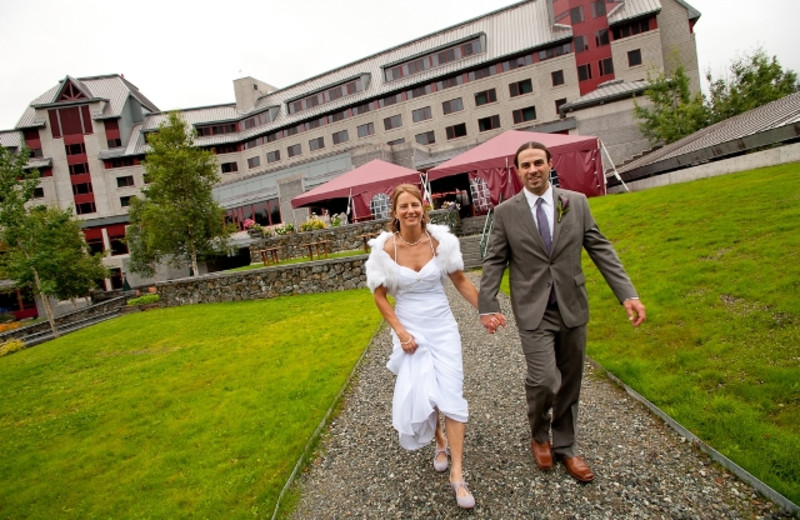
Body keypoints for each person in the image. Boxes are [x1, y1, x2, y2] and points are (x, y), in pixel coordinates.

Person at [478, 141, 646, 483]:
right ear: (518, 171)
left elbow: (600, 248)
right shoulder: (506, 212)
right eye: (525, 165)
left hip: (572, 306)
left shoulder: (576, 204)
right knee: (544, 379)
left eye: (538, 162)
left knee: (570, 382)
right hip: (533, 311)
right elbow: (495, 259)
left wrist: (627, 294)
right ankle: (539, 434)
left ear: (550, 163)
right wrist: (488, 303)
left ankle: (567, 446)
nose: (533, 170)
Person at [366, 184, 480, 509]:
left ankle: (457, 475)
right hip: (410, 328)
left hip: (442, 326)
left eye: (415, 204)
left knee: (452, 394)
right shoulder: (386, 250)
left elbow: (461, 282)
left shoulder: (442, 243)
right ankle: (438, 440)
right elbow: (379, 296)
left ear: (423, 206)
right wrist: (401, 332)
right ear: (395, 212)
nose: (411, 211)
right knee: (425, 393)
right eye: (404, 206)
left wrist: (487, 310)